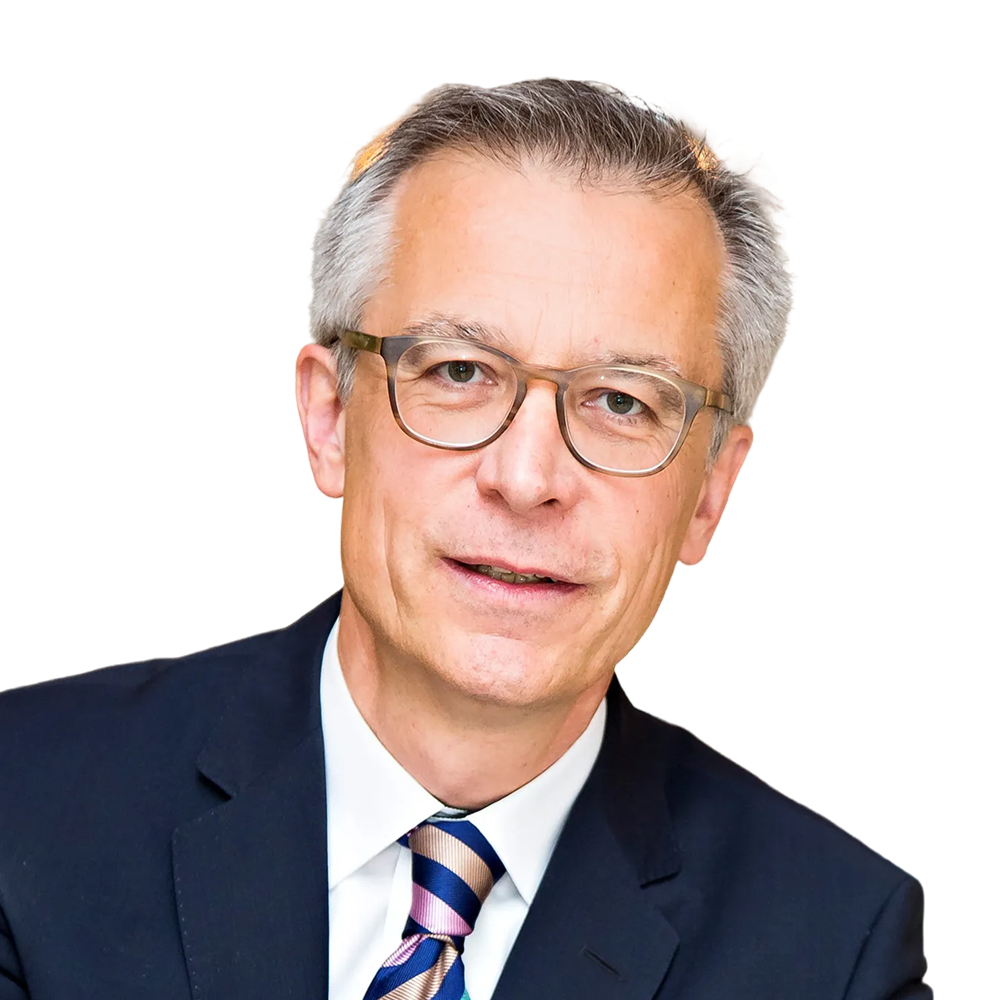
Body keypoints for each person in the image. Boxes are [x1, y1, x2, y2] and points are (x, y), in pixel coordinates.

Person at [0, 77, 931, 999]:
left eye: (621, 402)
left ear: (710, 491)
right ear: (330, 418)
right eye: (458, 371)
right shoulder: (21, 799)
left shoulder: (838, 955)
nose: (526, 479)